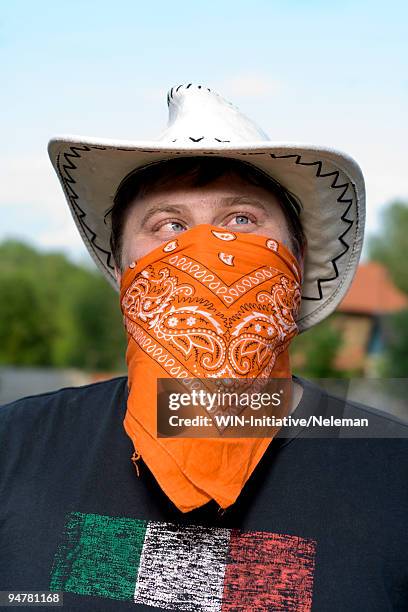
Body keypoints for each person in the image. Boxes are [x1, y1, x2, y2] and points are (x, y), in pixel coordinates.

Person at [1, 84, 408, 611]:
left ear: (297, 258)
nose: (203, 249)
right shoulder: (16, 449)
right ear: (124, 267)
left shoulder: (393, 473)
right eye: (168, 226)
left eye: (241, 219)